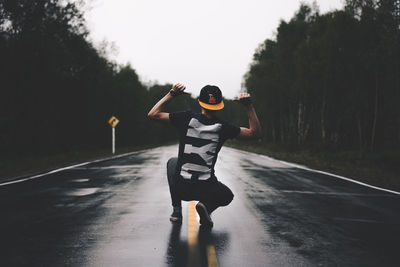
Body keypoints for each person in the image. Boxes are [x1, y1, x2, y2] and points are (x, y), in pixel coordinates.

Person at [148, 83, 261, 227]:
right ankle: (205, 207)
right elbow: (255, 133)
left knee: (172, 163)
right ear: (220, 105)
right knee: (227, 195)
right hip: (206, 189)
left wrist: (172, 94)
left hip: (181, 188)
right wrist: (248, 106)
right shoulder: (224, 127)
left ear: (200, 103)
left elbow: (153, 114)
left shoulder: (185, 118)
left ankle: (177, 210)